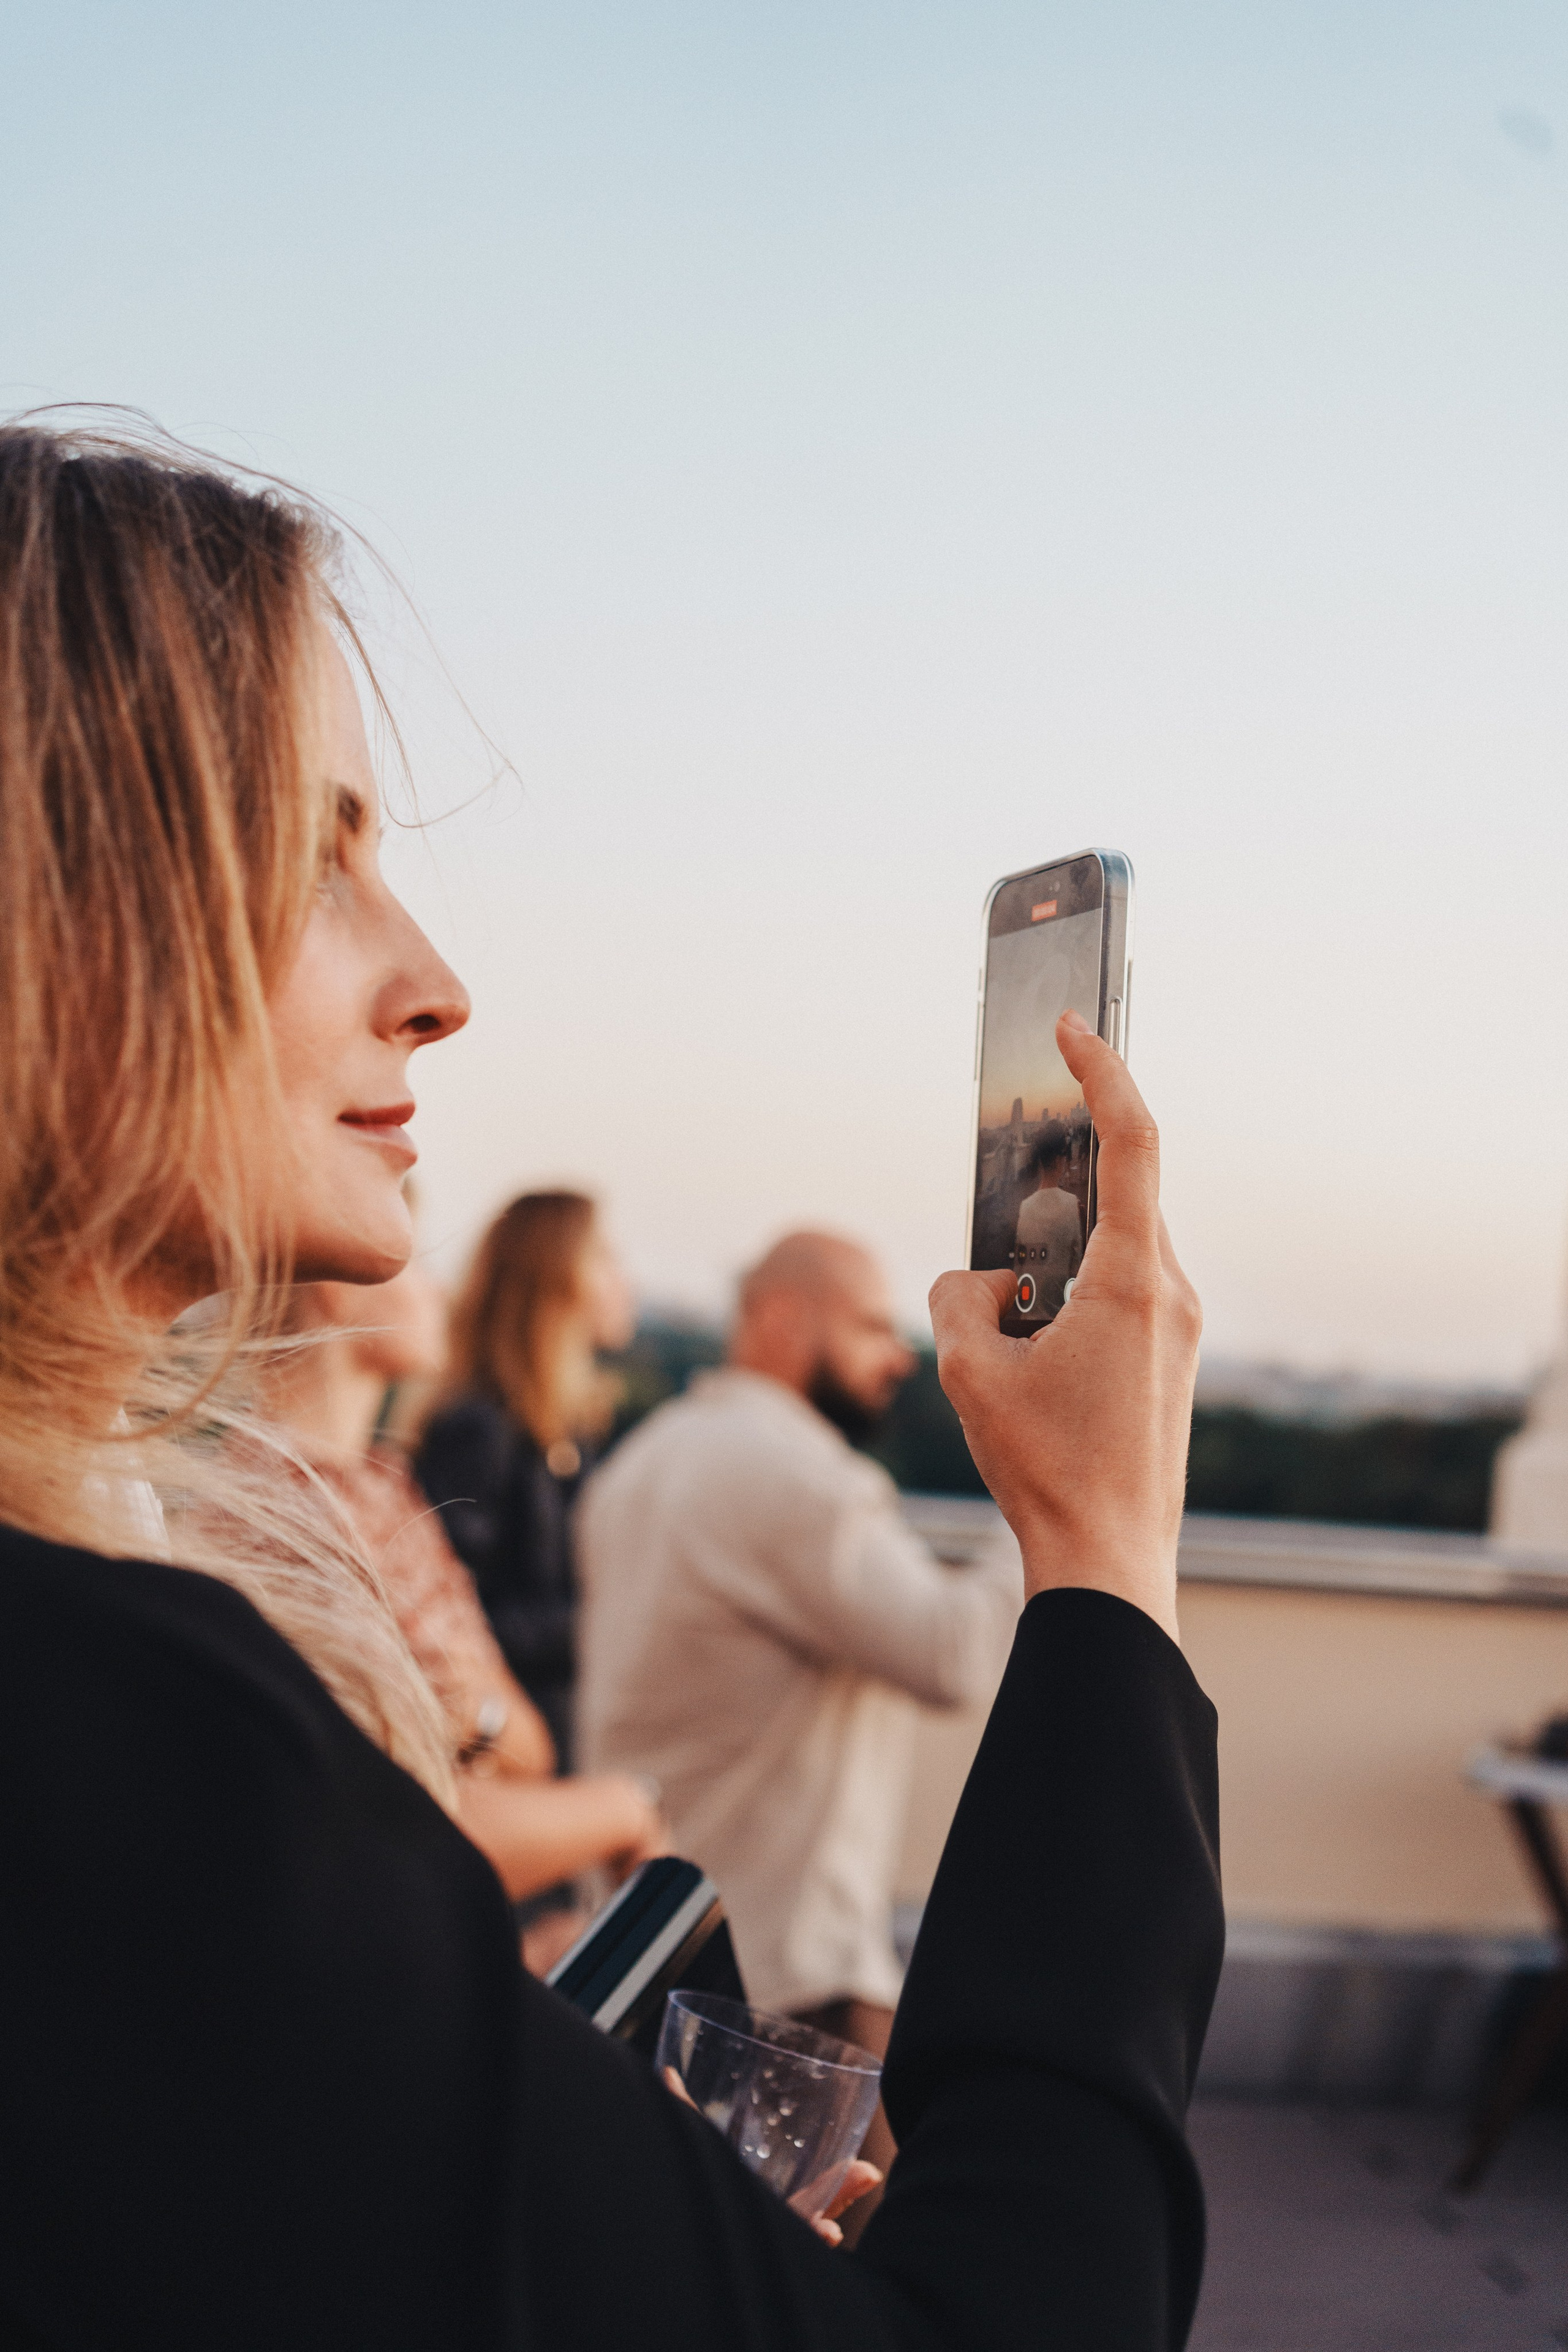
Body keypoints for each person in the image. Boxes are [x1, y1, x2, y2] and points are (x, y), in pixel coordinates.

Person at [0, 416, 1221, 2352]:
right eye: (307, 857)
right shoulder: (104, 1729)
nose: (434, 975)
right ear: (55, 911)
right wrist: (1102, 1549)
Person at [576, 1231, 1022, 2121]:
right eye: (868, 1326)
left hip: (655, 1948)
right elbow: (956, 1654)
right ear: (779, 1317)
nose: (899, 1356)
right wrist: (1048, 1488)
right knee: (852, 2253)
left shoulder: (646, 1458)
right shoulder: (794, 1475)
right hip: (786, 1976)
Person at [260, 1264, 665, 1942]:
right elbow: (376, 1819)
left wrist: (459, 1714)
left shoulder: (390, 1490)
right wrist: (618, 1806)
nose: (441, 1292)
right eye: (415, 1267)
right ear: (338, 1285)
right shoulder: (271, 1508)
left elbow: (530, 1745)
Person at [417, 1190, 634, 1768]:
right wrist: (603, 1624)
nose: (623, 1278)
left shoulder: (563, 1433)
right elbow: (445, 1613)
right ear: (555, 1275)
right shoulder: (479, 1429)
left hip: (553, 1733)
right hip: (501, 1755)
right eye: (604, 1257)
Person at [1013, 1118, 1085, 1314]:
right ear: (1057, 1160)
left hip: (1029, 1311)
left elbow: (1020, 1269)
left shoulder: (1025, 1207)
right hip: (1061, 1314)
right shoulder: (1072, 1204)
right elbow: (1076, 1266)